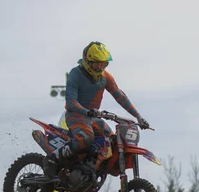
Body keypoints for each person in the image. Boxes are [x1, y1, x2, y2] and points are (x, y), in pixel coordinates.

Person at [43, 41, 149, 178]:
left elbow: (120, 96)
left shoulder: (105, 77)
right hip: (76, 115)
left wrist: (138, 116)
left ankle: (92, 167)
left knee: (112, 141)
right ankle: (52, 158)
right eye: (97, 63)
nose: (100, 67)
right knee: (85, 139)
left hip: (93, 117)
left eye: (104, 64)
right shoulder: (75, 74)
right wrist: (86, 111)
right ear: (88, 61)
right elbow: (71, 101)